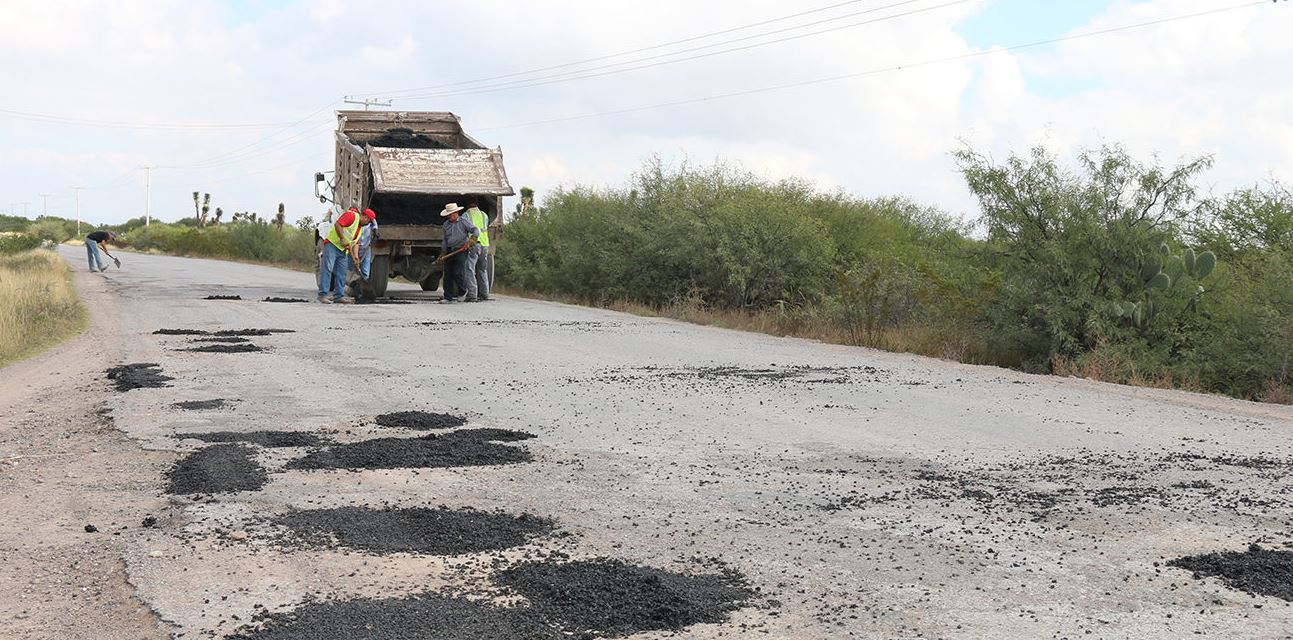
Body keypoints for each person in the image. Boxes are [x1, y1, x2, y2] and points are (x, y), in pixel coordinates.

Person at [318, 206, 372, 304]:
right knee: (328, 269)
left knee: (342, 273)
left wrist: (356, 257)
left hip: (343, 250)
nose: (368, 224)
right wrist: (342, 238)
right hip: (332, 245)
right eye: (369, 221)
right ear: (365, 217)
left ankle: (339, 296)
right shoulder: (351, 215)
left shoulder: (359, 229)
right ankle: (323, 295)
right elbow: (338, 224)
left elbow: (356, 243)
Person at [436, 202, 478, 303]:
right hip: (450, 250)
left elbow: (475, 230)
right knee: (448, 274)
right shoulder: (446, 225)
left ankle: (463, 291)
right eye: (448, 215)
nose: (449, 217)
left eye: (451, 214)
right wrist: (443, 252)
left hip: (462, 249)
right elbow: (445, 240)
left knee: (458, 272)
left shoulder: (463, 222)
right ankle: (448, 297)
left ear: (456, 213)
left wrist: (472, 239)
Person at [463, 198, 492, 301]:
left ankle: (472, 294)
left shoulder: (466, 215)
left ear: (468, 205)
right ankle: (485, 294)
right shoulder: (484, 215)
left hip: (474, 244)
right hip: (485, 244)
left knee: (470, 269)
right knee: (482, 269)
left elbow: (463, 229)